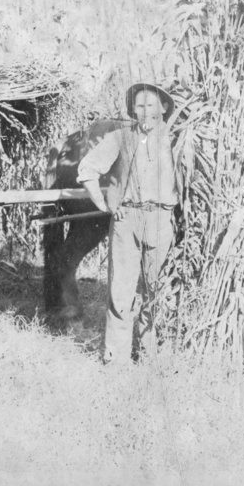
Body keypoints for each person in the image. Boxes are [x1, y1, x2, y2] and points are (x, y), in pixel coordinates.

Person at [76, 82, 181, 364]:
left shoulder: (176, 140)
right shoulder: (120, 137)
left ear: (163, 108)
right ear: (132, 110)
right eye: (139, 106)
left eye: (151, 105)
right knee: (120, 292)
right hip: (127, 221)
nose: (145, 111)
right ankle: (115, 360)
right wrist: (106, 206)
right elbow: (87, 170)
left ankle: (150, 356)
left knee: (156, 290)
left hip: (161, 219)